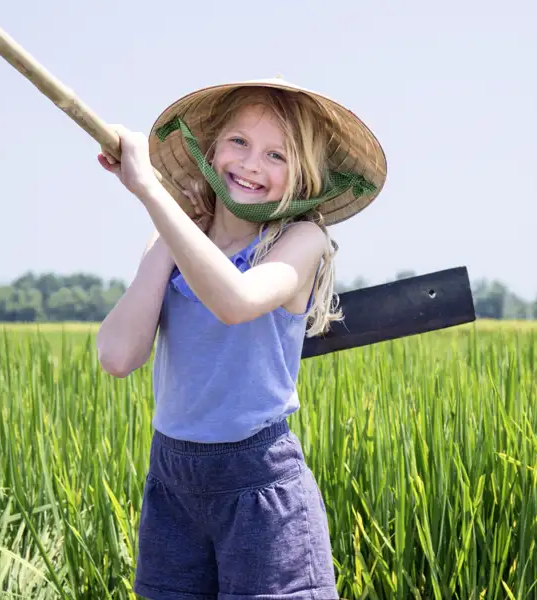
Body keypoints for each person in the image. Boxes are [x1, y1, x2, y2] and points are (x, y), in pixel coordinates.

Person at [95, 78, 386, 600]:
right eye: (239, 143)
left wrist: (151, 192)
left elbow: (236, 302)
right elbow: (117, 356)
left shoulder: (300, 241)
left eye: (276, 154)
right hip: (172, 483)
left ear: (304, 177)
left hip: (259, 485)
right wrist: (170, 224)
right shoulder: (170, 241)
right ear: (210, 152)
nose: (252, 164)